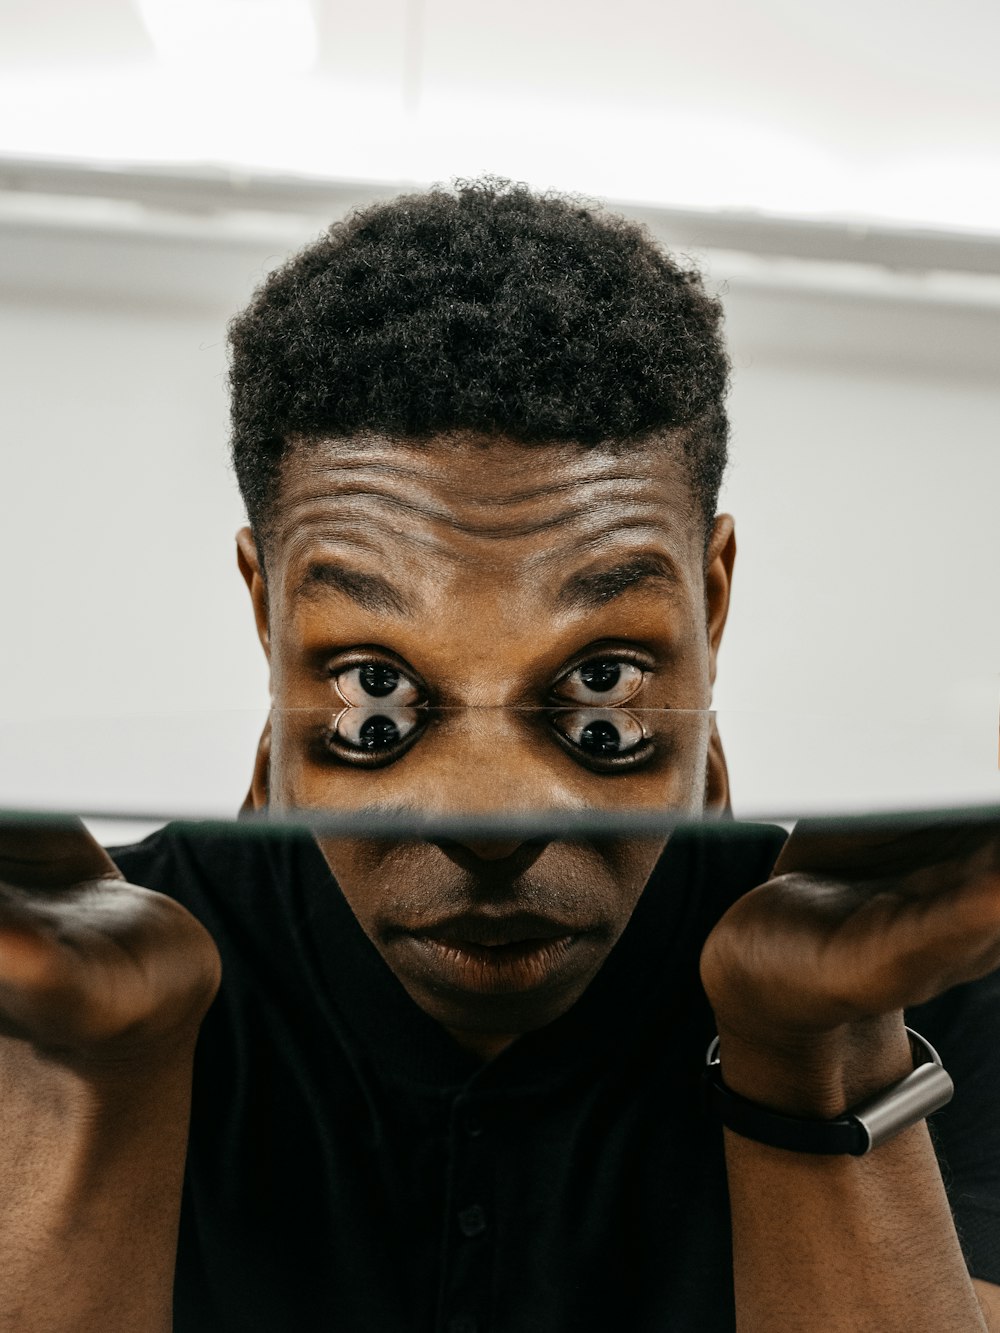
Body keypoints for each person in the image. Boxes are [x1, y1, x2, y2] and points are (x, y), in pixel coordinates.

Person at [1, 178, 998, 1332]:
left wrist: (812, 1047)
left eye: (602, 680)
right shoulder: (65, 967)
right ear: (263, 610)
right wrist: (101, 1078)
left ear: (709, 607)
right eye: (377, 687)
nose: (487, 820)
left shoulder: (915, 985)